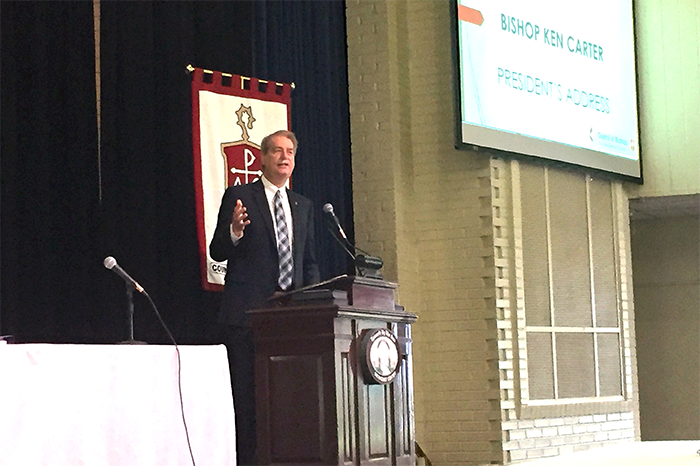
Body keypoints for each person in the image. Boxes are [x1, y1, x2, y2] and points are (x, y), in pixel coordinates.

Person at [210, 129, 320, 466]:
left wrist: (313, 305)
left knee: (287, 401)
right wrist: (234, 231)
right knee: (248, 402)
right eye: (277, 151)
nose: (285, 157)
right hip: (249, 317)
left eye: (290, 152)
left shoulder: (303, 205)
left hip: (291, 321)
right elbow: (217, 250)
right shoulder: (240, 196)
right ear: (263, 158)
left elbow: (309, 262)